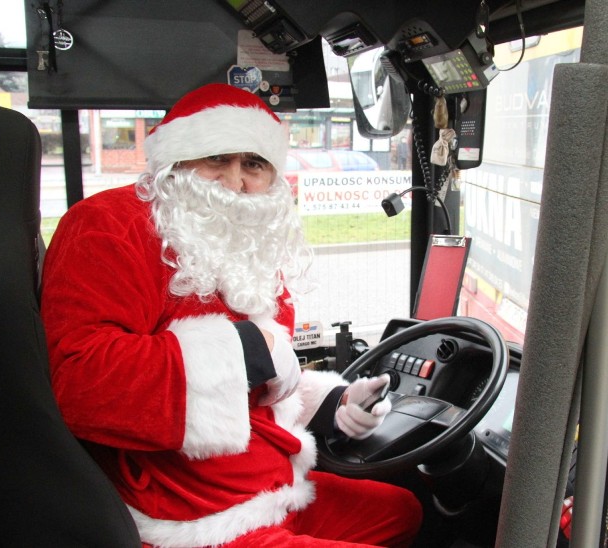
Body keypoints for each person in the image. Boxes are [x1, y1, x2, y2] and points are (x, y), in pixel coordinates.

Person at [40, 83, 422, 547]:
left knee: (404, 510)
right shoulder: (108, 224)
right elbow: (83, 381)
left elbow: (257, 384)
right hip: (192, 520)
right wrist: (250, 347)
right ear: (177, 161)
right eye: (217, 159)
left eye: (254, 165)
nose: (234, 182)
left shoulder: (248, 247)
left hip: (271, 487)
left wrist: (335, 404)